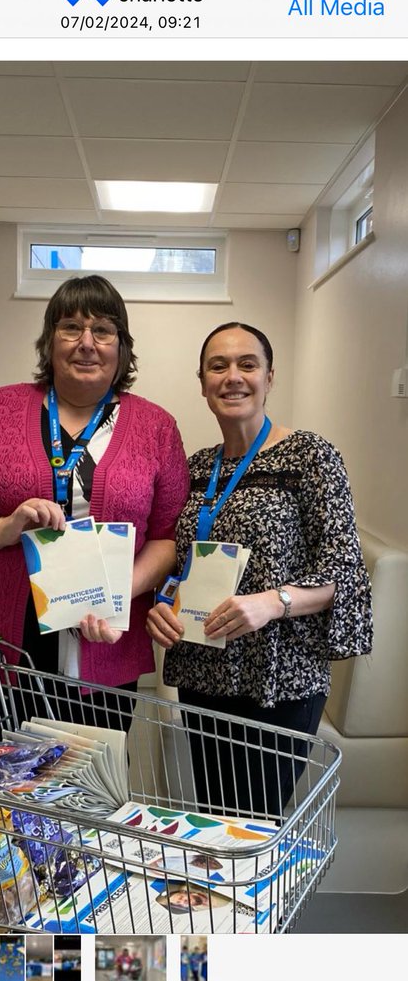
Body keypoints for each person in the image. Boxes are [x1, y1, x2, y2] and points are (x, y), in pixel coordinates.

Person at [0, 275, 189, 735]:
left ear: (121, 346)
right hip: (7, 636)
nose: (87, 343)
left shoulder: (157, 427)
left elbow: (167, 535)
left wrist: (117, 593)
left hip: (103, 635)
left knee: (91, 786)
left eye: (103, 330)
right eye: (70, 328)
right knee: (5, 779)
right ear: (49, 341)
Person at [147, 321, 372, 820]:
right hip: (203, 666)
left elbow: (345, 570)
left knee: (254, 824)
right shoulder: (195, 468)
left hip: (280, 674)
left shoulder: (310, 457)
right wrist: (161, 603)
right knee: (213, 818)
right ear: (202, 381)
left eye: (247, 364)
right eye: (218, 366)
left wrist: (274, 602)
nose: (233, 376)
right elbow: (176, 557)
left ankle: (251, 900)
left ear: (269, 378)